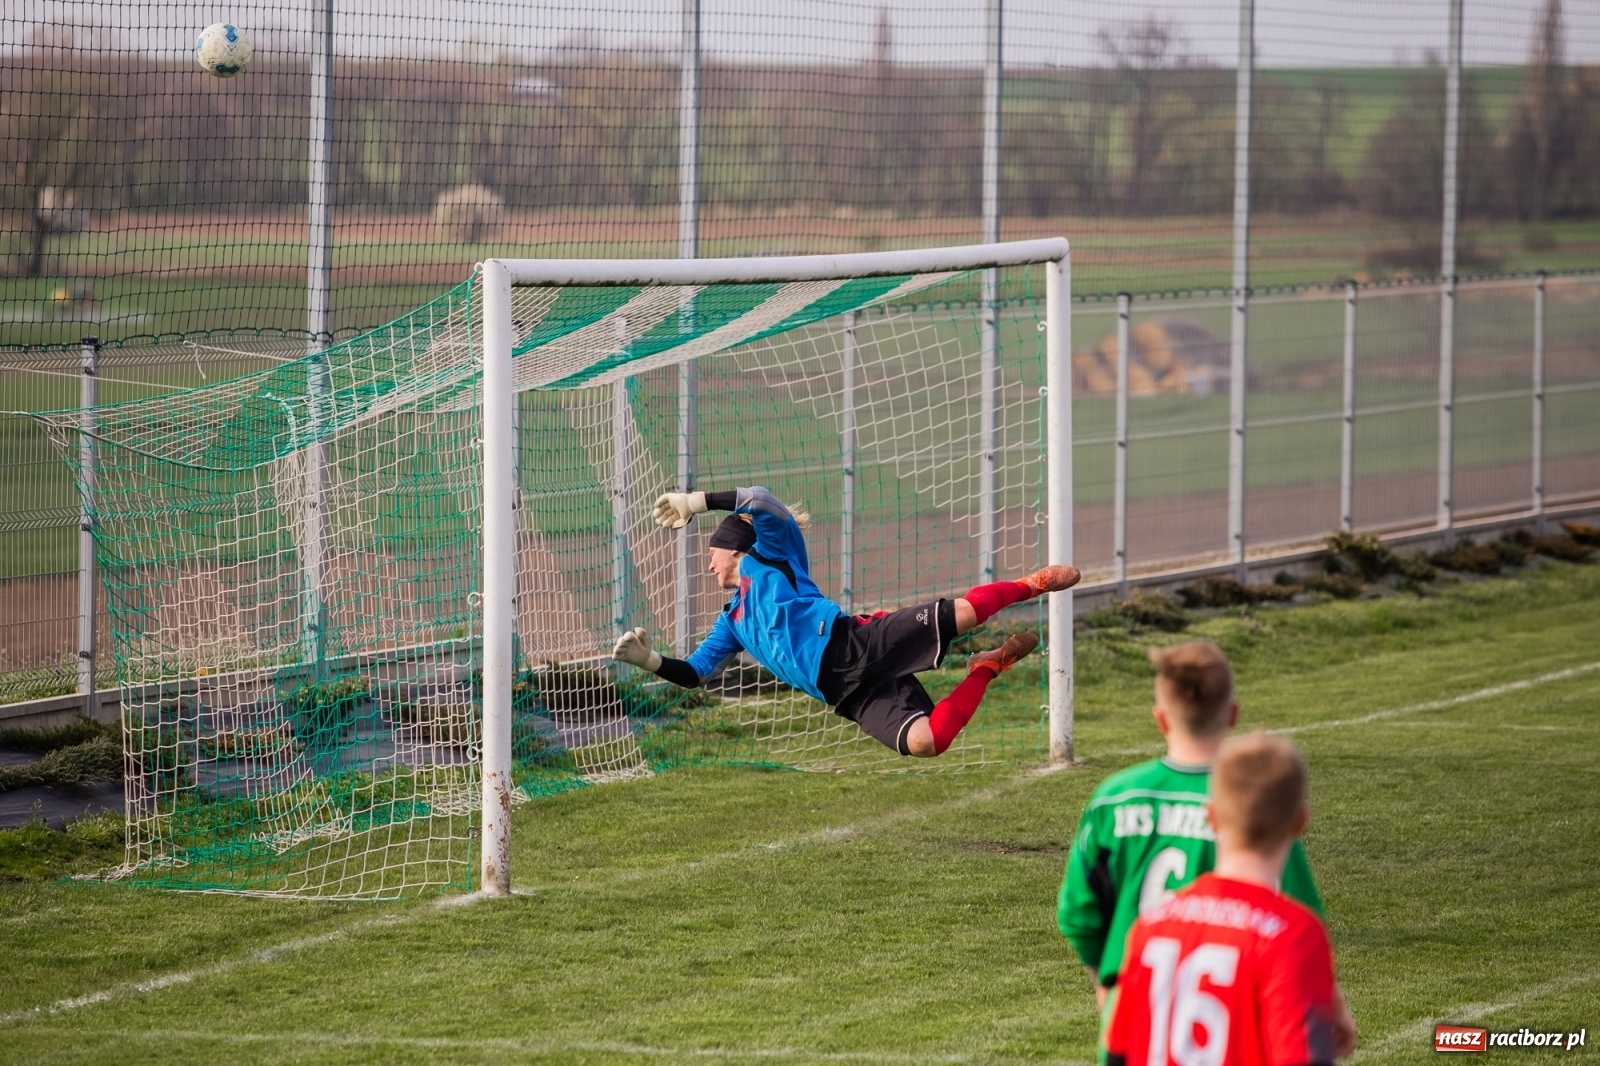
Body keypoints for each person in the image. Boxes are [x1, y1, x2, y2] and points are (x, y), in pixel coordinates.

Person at [611, 486, 1079, 757]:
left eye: (711, 553)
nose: (708, 564)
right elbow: (695, 673)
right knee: (927, 742)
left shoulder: (771, 555)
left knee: (966, 613)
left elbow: (761, 500)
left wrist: (698, 501)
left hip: (854, 642)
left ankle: (1032, 584)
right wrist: (650, 660)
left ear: (734, 548)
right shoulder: (730, 621)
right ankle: (986, 667)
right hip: (845, 693)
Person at [1057, 641, 1350, 1061]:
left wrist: (1109, 981)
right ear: (1233, 714)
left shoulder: (1114, 797)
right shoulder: (1253, 799)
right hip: (1233, 1015)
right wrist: (1334, 1008)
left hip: (1143, 1004)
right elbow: (1300, 922)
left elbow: (1078, 912)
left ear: (1160, 718)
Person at [1104, 732, 1355, 1065]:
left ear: (1212, 816)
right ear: (1300, 822)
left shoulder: (1149, 926)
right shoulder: (1294, 934)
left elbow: (1117, 1052)